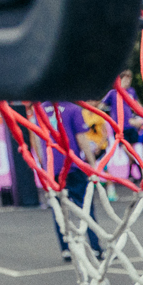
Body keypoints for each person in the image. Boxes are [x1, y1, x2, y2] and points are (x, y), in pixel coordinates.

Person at [46, 102, 99, 262]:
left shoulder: (40, 109)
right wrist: (92, 164)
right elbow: (81, 138)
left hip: (52, 168)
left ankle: (66, 248)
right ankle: (95, 247)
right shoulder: (72, 109)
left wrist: (44, 164)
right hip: (72, 166)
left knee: (59, 210)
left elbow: (35, 137)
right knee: (85, 207)